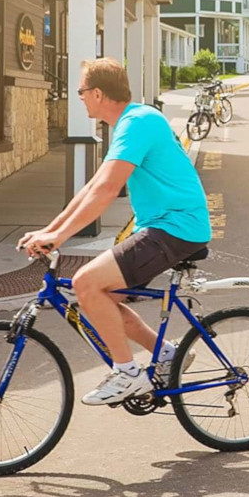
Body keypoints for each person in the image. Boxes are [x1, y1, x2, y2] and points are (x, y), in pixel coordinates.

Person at [18, 58, 212, 405]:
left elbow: (107, 191)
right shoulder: (131, 121)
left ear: (97, 93)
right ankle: (165, 354)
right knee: (102, 299)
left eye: (80, 91)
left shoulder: (138, 122)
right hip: (163, 226)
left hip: (175, 228)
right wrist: (49, 230)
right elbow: (93, 186)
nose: (79, 97)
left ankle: (128, 373)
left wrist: (59, 239)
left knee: (86, 284)